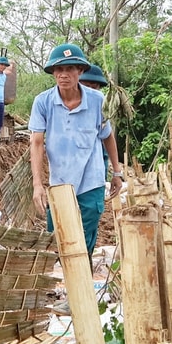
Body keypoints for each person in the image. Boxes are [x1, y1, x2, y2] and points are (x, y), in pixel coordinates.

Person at [29, 44, 123, 265]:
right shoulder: (43, 102)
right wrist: (37, 184)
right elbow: (36, 142)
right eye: (59, 69)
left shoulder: (97, 101)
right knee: (58, 237)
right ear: (53, 72)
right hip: (60, 183)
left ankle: (82, 287)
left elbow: (107, 136)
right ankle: (64, 284)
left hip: (91, 182)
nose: (64, 74)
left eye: (70, 68)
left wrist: (116, 172)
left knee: (85, 238)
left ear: (80, 71)